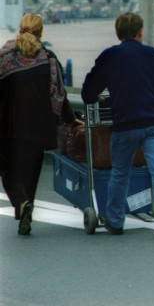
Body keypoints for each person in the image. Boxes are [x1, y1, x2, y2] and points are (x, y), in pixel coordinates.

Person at [81, 12, 154, 238]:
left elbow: (88, 93)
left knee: (120, 172)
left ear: (118, 33)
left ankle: (115, 221)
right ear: (140, 32)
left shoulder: (110, 56)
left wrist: (101, 97)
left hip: (126, 123)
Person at [0, 13, 76, 235]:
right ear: (41, 32)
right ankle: (27, 210)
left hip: (7, 125)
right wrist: (72, 120)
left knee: (8, 167)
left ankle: (22, 204)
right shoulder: (49, 59)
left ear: (20, 30)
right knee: (31, 170)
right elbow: (58, 96)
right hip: (38, 126)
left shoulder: (4, 59)